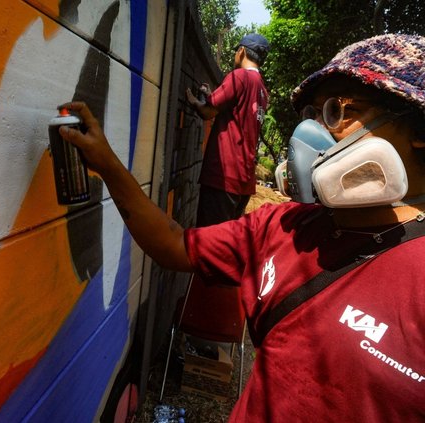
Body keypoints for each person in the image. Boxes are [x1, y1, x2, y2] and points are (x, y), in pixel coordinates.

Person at [59, 33, 425, 422]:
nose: (315, 137)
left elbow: (209, 110)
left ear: (418, 129)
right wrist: (108, 164)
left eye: (337, 112)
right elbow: (172, 243)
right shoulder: (282, 226)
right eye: (313, 115)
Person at [186, 33, 270, 226]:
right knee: (226, 242)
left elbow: (208, 112)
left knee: (208, 242)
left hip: (223, 177)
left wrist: (194, 102)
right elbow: (235, 111)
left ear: (241, 51)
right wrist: (211, 95)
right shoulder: (262, 91)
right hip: (243, 182)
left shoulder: (239, 76)